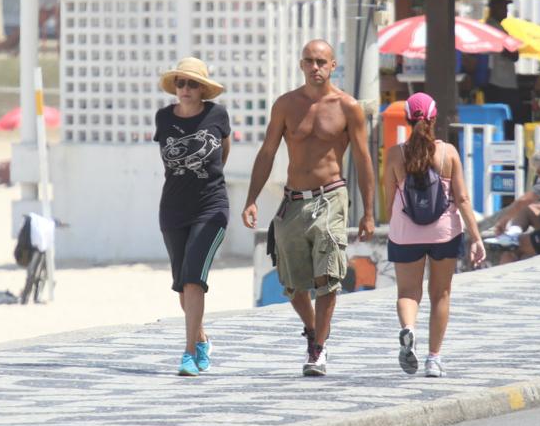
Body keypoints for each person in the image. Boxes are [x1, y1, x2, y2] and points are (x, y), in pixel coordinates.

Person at [242, 39, 375, 377]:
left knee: (328, 275)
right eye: (308, 61)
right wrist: (251, 198)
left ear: (332, 66)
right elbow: (268, 151)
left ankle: (317, 348)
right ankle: (315, 329)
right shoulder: (286, 105)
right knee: (291, 281)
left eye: (321, 61)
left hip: (331, 195)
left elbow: (363, 160)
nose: (315, 67)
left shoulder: (348, 107)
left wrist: (369, 212)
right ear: (301, 65)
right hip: (294, 200)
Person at [384, 92, 485, 378]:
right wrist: (476, 237)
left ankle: (408, 329)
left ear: (406, 118)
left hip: (405, 233)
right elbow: (462, 199)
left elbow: (389, 199)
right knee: (440, 293)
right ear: (434, 118)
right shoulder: (448, 153)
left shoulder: (394, 154)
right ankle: (433, 359)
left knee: (407, 293)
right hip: (444, 233)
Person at [154, 57, 230, 377]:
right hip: (173, 210)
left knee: (193, 279)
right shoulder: (163, 118)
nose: (185, 89)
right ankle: (201, 340)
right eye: (181, 83)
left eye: (192, 84)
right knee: (183, 288)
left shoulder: (217, 115)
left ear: (203, 89)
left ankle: (188, 354)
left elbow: (223, 152)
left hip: (211, 208)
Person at [484, 0, 521, 138]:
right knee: (508, 120)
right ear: (494, 9)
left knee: (507, 120)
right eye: (502, 7)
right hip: (500, 82)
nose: (505, 10)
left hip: (501, 81)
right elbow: (513, 54)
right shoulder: (493, 28)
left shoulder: (497, 27)